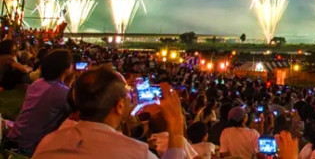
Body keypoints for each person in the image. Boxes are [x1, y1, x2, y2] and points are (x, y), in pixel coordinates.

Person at [32, 65, 187, 159]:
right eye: (128, 93)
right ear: (119, 106)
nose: (131, 97)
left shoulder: (49, 142)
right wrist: (176, 127)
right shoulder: (136, 153)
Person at [6, 49, 74, 153]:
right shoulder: (62, 92)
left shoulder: (38, 82)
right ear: (66, 68)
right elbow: (76, 113)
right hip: (30, 145)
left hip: (15, 135)